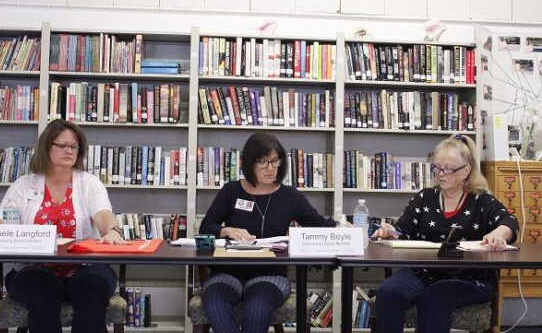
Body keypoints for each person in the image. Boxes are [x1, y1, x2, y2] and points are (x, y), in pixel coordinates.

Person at [371, 134, 519, 333]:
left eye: (448, 169)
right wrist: (390, 232)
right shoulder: (425, 197)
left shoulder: (480, 201)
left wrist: (499, 234)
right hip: (423, 273)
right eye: (437, 167)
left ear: (467, 170)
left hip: (468, 278)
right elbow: (402, 230)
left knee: (435, 296)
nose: (441, 174)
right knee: (388, 293)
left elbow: (509, 221)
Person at [0, 119, 125, 333]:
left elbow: (103, 213)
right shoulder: (24, 185)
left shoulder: (89, 183)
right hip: (34, 269)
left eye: (74, 146)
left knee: (92, 291)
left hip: (85, 268)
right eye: (62, 145)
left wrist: (111, 230)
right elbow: (3, 219)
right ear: (46, 147)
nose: (69, 150)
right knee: (42, 295)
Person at [199, 132, 337, 333]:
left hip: (270, 274)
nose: (270, 168)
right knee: (215, 304)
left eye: (274, 161)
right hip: (227, 272)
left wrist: (344, 227)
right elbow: (206, 227)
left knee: (257, 308)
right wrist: (226, 230)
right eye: (262, 162)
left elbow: (319, 225)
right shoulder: (231, 191)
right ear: (249, 163)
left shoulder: (290, 196)